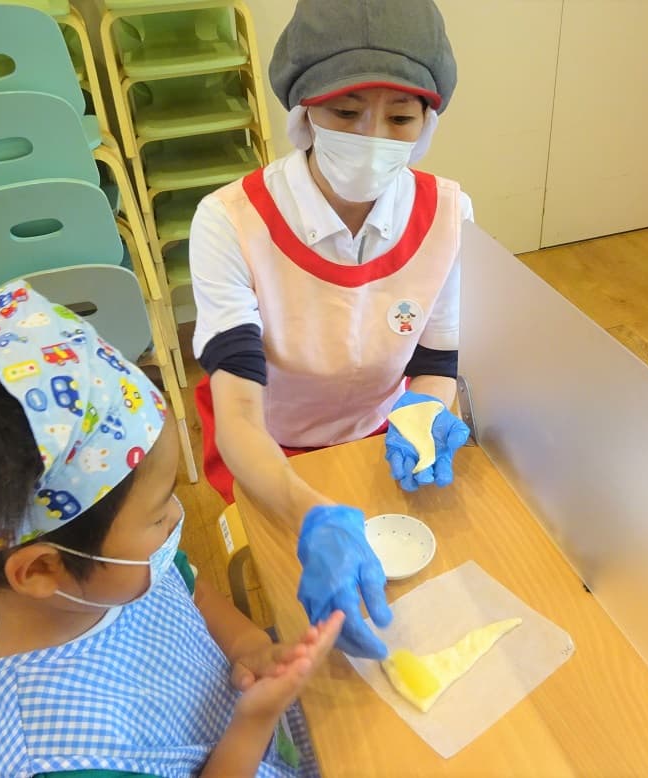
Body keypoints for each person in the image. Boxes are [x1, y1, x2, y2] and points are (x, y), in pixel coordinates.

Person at [0, 282, 342, 778]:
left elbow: (187, 587)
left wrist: (250, 646)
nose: (179, 519)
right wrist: (252, 724)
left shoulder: (106, 575)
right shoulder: (59, 759)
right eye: (159, 515)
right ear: (41, 569)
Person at [190, 0, 472, 661]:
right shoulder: (231, 221)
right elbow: (235, 412)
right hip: (271, 444)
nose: (373, 136)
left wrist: (424, 411)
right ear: (302, 110)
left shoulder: (446, 214)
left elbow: (435, 357)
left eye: (399, 118)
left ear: (428, 123)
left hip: (378, 432)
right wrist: (305, 510)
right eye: (346, 113)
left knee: (421, 596)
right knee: (298, 606)